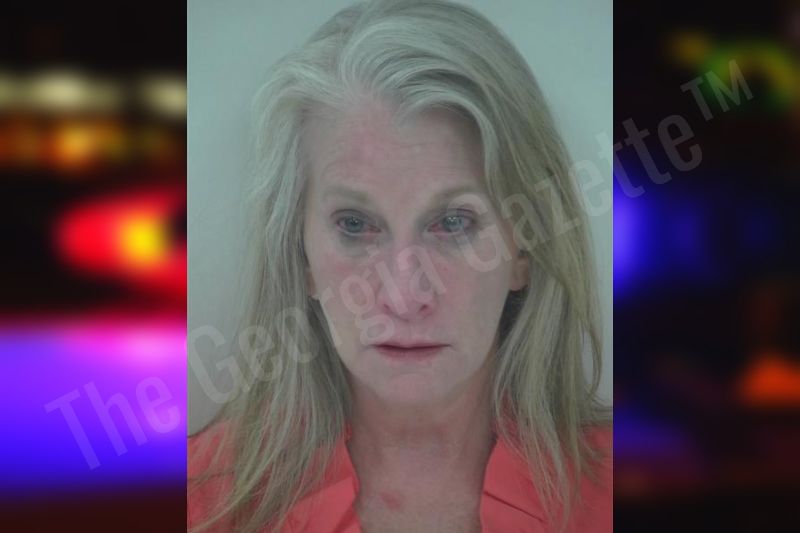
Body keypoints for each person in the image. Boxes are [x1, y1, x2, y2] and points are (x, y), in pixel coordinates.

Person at [188, 1, 611, 531]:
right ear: (302, 256)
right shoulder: (198, 502)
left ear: (522, 252)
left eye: (453, 223)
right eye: (355, 225)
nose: (404, 296)